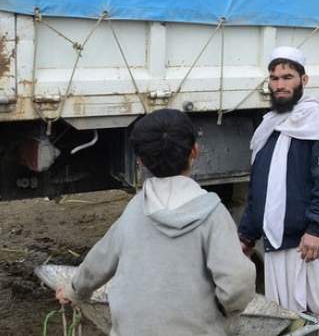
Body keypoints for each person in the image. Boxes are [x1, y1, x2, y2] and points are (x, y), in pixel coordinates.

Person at [55, 109, 256, 335]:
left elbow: (100, 260)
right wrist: (225, 310)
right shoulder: (213, 215)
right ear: (195, 151)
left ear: (140, 161)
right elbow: (238, 282)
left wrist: (75, 291)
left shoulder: (135, 209)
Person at [238, 46, 319, 336]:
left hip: (310, 246)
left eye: (287, 77)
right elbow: (260, 189)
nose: (279, 84)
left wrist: (317, 229)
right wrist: (247, 233)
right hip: (276, 247)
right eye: (274, 78)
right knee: (288, 321)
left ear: (304, 80)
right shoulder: (268, 128)